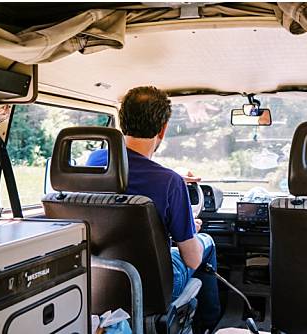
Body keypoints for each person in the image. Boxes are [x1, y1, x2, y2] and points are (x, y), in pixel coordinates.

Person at [89, 86, 223, 334]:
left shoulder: (95, 163)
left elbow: (131, 178)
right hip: (152, 289)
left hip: (99, 284)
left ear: (122, 122)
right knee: (206, 243)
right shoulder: (169, 183)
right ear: (163, 128)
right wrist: (189, 227)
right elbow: (191, 258)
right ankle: (209, 325)